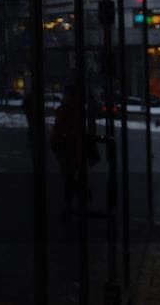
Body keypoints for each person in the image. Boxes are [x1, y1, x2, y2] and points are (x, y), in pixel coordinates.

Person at [51, 84, 98, 221]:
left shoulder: (70, 110)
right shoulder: (70, 109)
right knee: (68, 178)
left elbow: (62, 128)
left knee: (68, 178)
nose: (64, 97)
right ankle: (78, 198)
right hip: (69, 149)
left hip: (70, 149)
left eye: (66, 95)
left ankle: (73, 203)